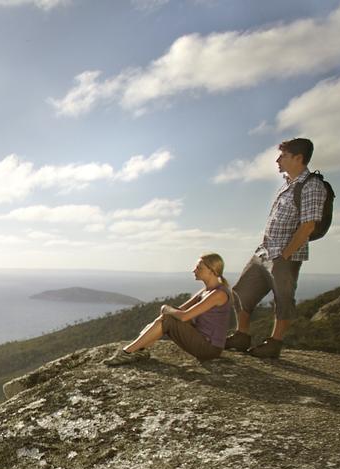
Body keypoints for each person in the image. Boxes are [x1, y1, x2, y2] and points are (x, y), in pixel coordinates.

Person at [225, 137, 325, 359]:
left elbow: (308, 225)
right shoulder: (287, 184)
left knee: (283, 299)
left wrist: (284, 256)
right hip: (264, 252)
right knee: (241, 291)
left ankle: (274, 343)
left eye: (284, 156)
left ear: (298, 158)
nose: (278, 160)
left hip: (284, 256)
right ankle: (242, 335)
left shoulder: (312, 186)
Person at [104, 253, 231, 366]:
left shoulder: (218, 294)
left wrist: (165, 308)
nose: (194, 270)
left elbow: (184, 316)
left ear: (212, 271)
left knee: (169, 318)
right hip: (202, 340)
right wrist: (164, 315)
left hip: (209, 349)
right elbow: (180, 309)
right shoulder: (206, 291)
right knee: (168, 317)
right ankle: (140, 350)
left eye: (199, 268)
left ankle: (127, 351)